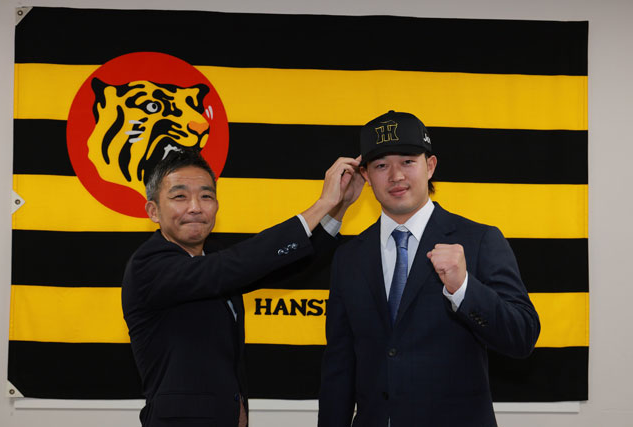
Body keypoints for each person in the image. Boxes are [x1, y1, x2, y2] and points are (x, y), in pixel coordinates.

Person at [318, 110, 540, 427]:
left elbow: (522, 336)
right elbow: (339, 366)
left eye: (408, 161)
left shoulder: (479, 240)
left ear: (430, 166)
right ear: (365, 176)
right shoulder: (349, 257)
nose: (396, 176)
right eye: (381, 166)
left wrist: (463, 288)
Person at [122, 149, 364, 427]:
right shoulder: (148, 266)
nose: (195, 207)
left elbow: (283, 267)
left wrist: (339, 208)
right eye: (180, 197)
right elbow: (238, 264)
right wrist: (322, 204)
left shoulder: (212, 256)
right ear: (153, 211)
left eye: (206, 196)